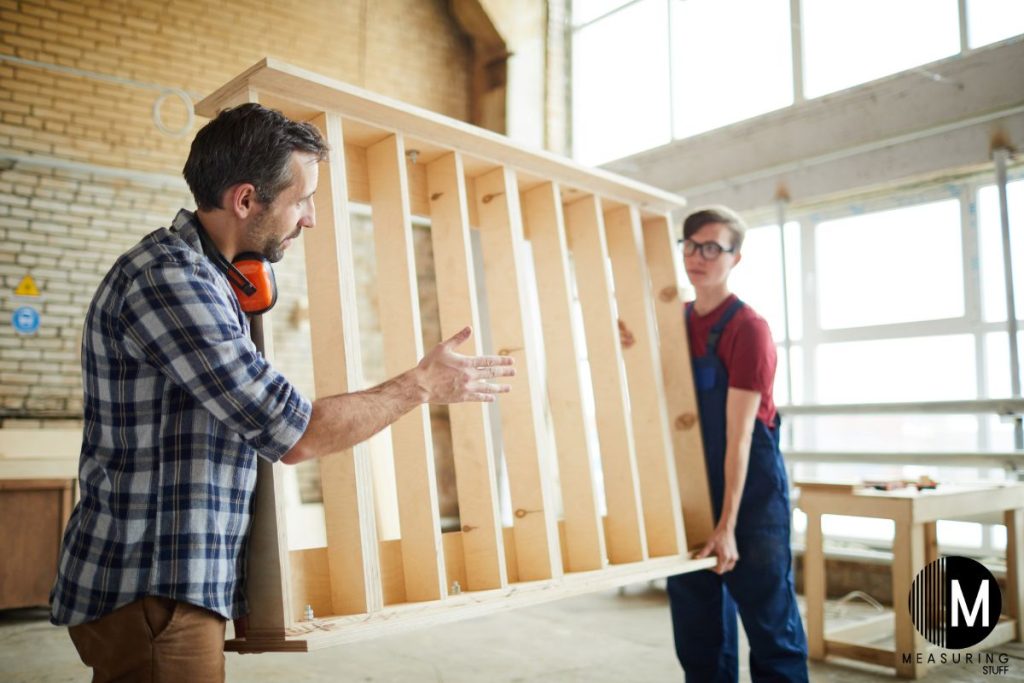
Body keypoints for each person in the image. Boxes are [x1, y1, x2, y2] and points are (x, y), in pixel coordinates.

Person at [49, 103, 515, 683]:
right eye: (302, 200)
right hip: (153, 586)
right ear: (246, 201)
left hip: (165, 584)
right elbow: (297, 433)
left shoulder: (210, 275)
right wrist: (420, 385)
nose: (311, 218)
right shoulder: (172, 281)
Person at [662, 206, 807, 681]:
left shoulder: (749, 329)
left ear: (735, 257)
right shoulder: (672, 320)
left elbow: (739, 435)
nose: (695, 256)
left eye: (711, 247)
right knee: (699, 635)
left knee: (771, 632)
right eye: (689, 244)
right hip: (692, 490)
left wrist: (726, 525)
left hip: (752, 497)